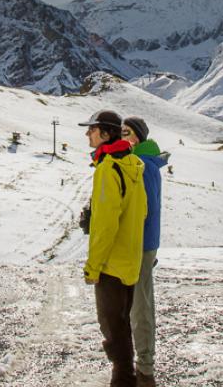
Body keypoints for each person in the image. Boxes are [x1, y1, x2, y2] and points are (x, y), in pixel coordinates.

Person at [79, 110, 148, 387]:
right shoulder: (133, 163)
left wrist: (93, 267)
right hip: (130, 261)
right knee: (122, 323)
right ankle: (126, 376)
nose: (87, 134)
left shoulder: (108, 168)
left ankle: (123, 380)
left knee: (111, 326)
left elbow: (104, 226)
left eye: (92, 129)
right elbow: (141, 211)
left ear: (105, 134)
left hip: (110, 264)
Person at [122, 116, 163, 387]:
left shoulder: (144, 165)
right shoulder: (141, 162)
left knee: (141, 306)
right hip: (139, 243)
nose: (122, 136)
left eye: (126, 132)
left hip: (141, 243)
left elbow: (144, 210)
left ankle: (145, 367)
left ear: (137, 137)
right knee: (136, 304)